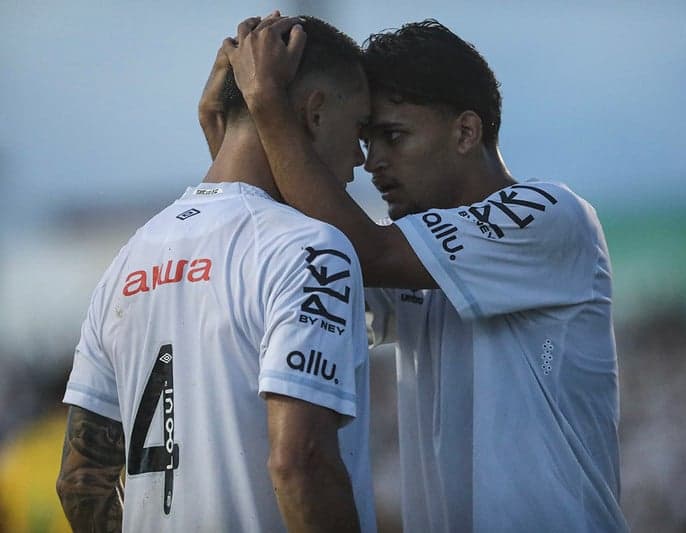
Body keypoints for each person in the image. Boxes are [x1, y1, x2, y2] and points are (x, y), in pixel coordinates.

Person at [221, 15, 628, 532]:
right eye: (367, 140)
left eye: (394, 136)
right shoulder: (418, 253)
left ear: (465, 130)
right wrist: (230, 141)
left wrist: (269, 104)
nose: (372, 163)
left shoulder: (550, 214)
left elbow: (364, 250)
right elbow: (314, 252)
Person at [56, 14, 376, 533]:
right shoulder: (314, 248)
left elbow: (81, 481)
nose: (361, 158)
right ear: (315, 113)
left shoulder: (127, 259)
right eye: (359, 129)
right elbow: (301, 463)